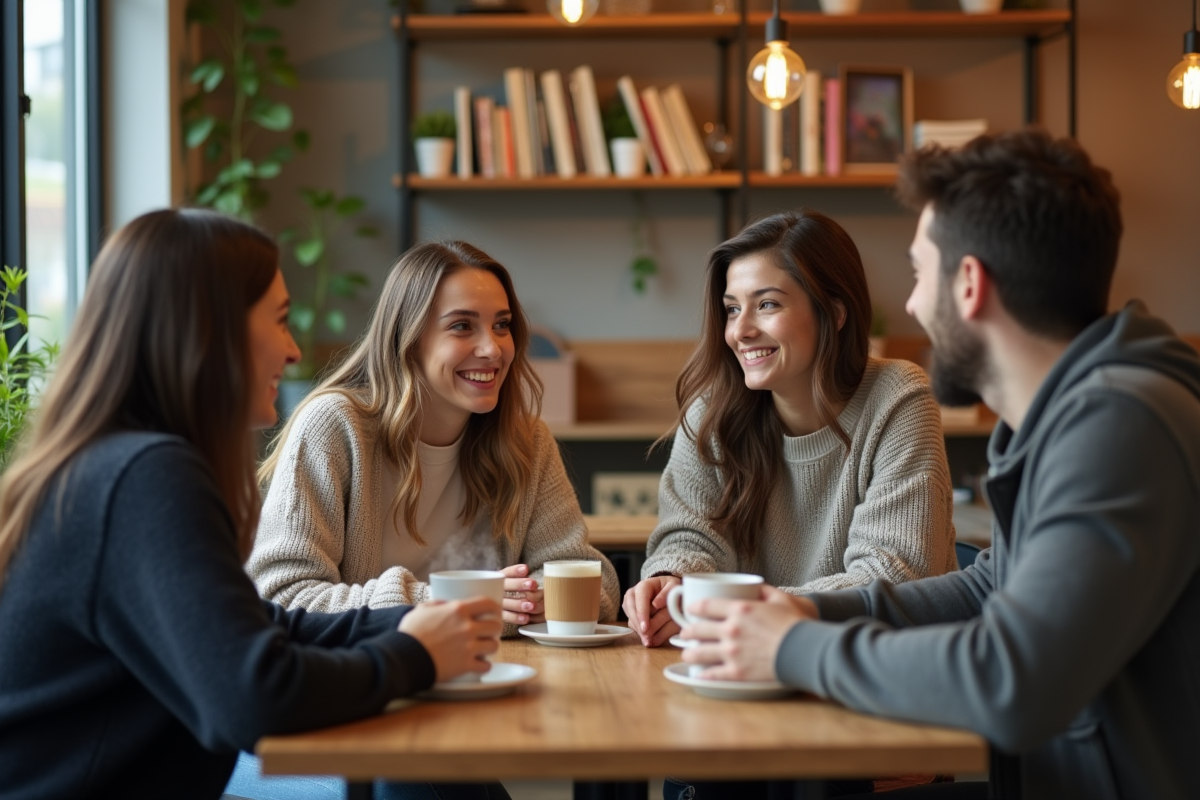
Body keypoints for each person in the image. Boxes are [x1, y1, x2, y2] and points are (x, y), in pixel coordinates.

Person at [679, 129, 1200, 800]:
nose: (916, 305)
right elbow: (991, 590)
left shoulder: (1121, 425)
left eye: (921, 274)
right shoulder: (1067, 413)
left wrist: (788, 649)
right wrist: (802, 608)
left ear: (971, 284)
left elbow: (1011, 678)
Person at [0, 209, 503, 800]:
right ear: (208, 329)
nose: (293, 352)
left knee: (433, 781)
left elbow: (263, 627)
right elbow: (252, 695)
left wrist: (402, 622)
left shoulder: (117, 464)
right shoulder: (144, 478)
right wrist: (414, 654)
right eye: (280, 321)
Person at [623, 209, 958, 650]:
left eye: (767, 304)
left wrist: (731, 606)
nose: (740, 331)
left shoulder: (898, 398)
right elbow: (689, 539)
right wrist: (670, 582)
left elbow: (892, 577)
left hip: (876, 669)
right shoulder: (713, 411)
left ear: (834, 311)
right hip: (743, 664)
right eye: (731, 309)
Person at [246, 240, 619, 629]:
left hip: (501, 675)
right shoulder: (335, 427)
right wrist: (447, 601)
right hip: (375, 680)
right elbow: (282, 599)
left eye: (502, 325)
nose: (492, 349)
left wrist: (539, 601)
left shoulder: (527, 441)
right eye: (462, 326)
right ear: (407, 339)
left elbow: (597, 586)